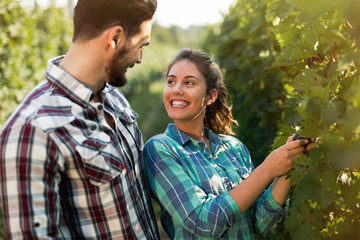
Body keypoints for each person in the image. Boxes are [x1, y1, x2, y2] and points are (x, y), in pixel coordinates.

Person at [0, 0, 160, 239]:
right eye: (141, 45)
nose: (139, 58)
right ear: (115, 38)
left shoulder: (115, 99)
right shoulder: (31, 130)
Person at [143, 49, 316, 239]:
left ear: (211, 96)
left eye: (189, 82)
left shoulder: (234, 148)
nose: (176, 89)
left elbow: (258, 223)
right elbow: (203, 223)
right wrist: (267, 169)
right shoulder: (160, 149)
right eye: (171, 81)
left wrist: (288, 165)